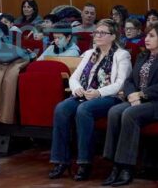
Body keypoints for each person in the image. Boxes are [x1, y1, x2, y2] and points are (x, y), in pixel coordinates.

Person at [102, 22, 158, 186]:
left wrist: (142, 94)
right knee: (114, 111)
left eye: (151, 36)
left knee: (130, 114)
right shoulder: (143, 56)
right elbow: (129, 81)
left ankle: (126, 167)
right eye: (146, 35)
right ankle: (114, 165)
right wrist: (131, 95)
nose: (146, 39)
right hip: (139, 100)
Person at [49, 19, 131, 181]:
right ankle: (61, 160)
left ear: (113, 36)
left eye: (103, 33)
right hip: (86, 95)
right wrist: (77, 89)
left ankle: (84, 162)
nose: (97, 35)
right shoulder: (89, 54)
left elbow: (121, 83)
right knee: (61, 108)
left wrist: (98, 93)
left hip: (110, 97)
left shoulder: (122, 55)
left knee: (84, 109)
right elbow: (74, 78)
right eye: (96, 32)